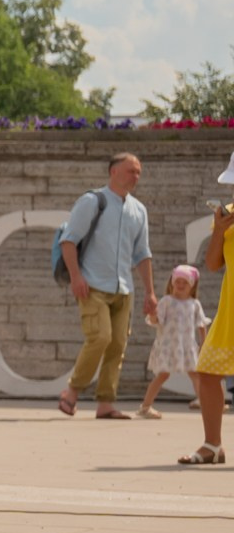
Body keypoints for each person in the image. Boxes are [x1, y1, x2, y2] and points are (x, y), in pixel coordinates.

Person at [58, 152, 156, 419]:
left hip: (124, 289)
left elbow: (142, 253)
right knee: (100, 337)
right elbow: (68, 241)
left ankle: (105, 404)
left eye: (138, 172)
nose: (135, 176)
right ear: (113, 171)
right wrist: (76, 277)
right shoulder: (93, 201)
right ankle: (72, 392)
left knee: (117, 346)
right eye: (130, 171)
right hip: (92, 285)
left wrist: (150, 291)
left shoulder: (139, 210)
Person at [186, 166, 234, 466]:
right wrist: (219, 230)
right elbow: (214, 263)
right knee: (208, 371)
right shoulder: (228, 214)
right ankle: (212, 445)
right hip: (230, 306)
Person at [144, 264, 210, 421]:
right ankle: (146, 406)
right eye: (177, 282)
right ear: (172, 283)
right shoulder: (167, 301)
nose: (180, 285)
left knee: (195, 374)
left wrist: (204, 343)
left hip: (186, 347)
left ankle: (203, 402)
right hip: (167, 346)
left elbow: (201, 324)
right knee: (163, 375)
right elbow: (156, 321)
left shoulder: (195, 304)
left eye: (184, 283)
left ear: (192, 286)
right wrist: (153, 314)